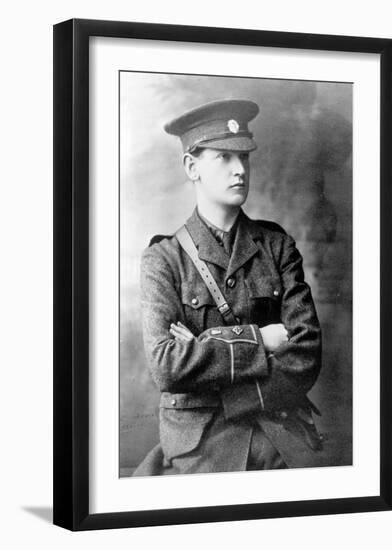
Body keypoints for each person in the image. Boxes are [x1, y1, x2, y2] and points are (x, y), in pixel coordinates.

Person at [134, 99, 323, 476]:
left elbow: (306, 352)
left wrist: (206, 358)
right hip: (201, 446)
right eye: (223, 157)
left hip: (278, 434)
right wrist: (261, 340)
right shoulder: (164, 259)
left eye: (245, 158)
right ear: (192, 167)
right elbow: (167, 365)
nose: (240, 170)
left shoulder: (277, 247)